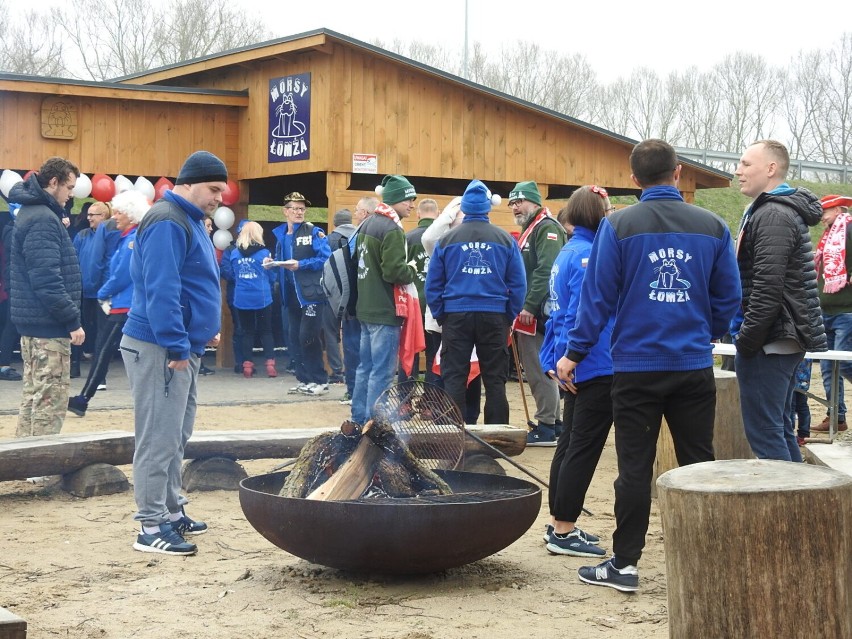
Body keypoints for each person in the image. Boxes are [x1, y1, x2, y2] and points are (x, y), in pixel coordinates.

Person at [557, 139, 740, 592]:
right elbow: (729, 297)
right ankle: (710, 559)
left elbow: (596, 300)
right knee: (700, 462)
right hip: (692, 363)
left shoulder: (618, 226)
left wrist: (574, 353)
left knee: (634, 467)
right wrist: (706, 330)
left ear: (634, 180)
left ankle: (624, 564)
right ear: (678, 173)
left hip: (636, 367)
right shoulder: (714, 226)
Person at [121, 150, 226, 555]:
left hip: (180, 344)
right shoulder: (168, 220)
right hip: (160, 346)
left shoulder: (188, 218)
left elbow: (192, 282)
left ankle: (170, 509)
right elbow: (162, 287)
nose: (219, 197)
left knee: (176, 432)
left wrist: (200, 332)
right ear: (189, 182)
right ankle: (150, 525)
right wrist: (177, 343)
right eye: (214, 188)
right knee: (158, 435)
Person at [732, 140, 827, 461]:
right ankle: (797, 508)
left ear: (771, 169)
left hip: (771, 341)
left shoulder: (773, 214)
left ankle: (783, 509)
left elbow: (767, 290)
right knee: (779, 427)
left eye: (746, 164)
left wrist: (747, 342)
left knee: (767, 432)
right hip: (777, 338)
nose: (738, 171)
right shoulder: (771, 210)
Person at [540, 186, 614, 559]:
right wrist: (570, 356)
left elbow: (556, 312)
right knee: (582, 446)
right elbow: (578, 314)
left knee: (570, 442)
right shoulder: (588, 255)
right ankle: (564, 529)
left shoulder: (567, 251)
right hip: (593, 360)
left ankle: (558, 521)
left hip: (576, 359)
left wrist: (554, 357)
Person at [426, 180, 524, 425]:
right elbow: (519, 284)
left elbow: (433, 284)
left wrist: (442, 314)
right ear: (487, 208)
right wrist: (507, 315)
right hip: (494, 316)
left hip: (456, 317)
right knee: (495, 380)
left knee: (454, 378)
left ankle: (454, 438)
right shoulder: (504, 239)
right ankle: (497, 438)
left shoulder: (447, 240)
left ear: (465, 207)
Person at [9, 157, 84, 438]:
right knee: (49, 399)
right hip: (48, 326)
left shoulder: (34, 212)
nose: (72, 194)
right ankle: (40, 463)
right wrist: (72, 320)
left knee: (33, 395)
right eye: (69, 187)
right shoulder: (42, 218)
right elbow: (46, 279)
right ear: (53, 183)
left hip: (36, 324)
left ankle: (24, 458)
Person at [67, 191, 150, 417]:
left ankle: (83, 399)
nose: (116, 216)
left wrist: (102, 293)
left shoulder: (130, 241)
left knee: (103, 350)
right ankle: (83, 398)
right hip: (126, 303)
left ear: (132, 215)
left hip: (124, 305)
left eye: (121, 212)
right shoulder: (129, 239)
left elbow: (121, 274)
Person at [346, 175, 416, 430]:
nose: (412, 204)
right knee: (383, 372)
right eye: (409, 199)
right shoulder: (392, 229)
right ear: (396, 199)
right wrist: (412, 270)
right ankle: (375, 423)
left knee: (365, 368)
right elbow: (394, 272)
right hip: (385, 310)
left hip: (365, 308)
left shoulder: (367, 224)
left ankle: (358, 418)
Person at [509, 180, 566, 445]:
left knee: (537, 368)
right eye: (512, 203)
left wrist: (529, 306)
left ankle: (545, 426)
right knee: (541, 368)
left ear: (534, 202)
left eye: (520, 201)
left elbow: (546, 270)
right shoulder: (534, 228)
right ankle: (553, 423)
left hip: (536, 313)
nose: (515, 207)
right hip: (533, 311)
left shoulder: (546, 229)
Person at [422, 196, 484, 423]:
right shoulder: (441, 242)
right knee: (441, 371)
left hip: (469, 319)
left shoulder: (479, 240)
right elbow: (428, 236)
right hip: (442, 322)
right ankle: (443, 418)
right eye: (460, 216)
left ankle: (470, 418)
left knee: (473, 373)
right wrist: (452, 208)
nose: (464, 219)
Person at [268, 192, 331, 395]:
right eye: (294, 208)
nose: (298, 212)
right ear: (285, 211)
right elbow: (283, 261)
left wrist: (301, 265)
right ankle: (304, 379)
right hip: (290, 294)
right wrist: (272, 264)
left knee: (308, 336)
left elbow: (325, 258)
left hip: (311, 294)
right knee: (294, 337)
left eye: (302, 209)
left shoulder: (313, 231)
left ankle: (320, 380)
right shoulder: (280, 235)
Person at [813, 194, 852, 433]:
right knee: (828, 367)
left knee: (845, 364)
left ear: (838, 209)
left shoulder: (848, 229)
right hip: (826, 309)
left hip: (846, 310)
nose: (821, 217)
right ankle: (836, 416)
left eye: (825, 212)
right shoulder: (829, 235)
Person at [339, 197, 378, 405]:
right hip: (368, 301)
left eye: (357, 210)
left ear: (365, 213)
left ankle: (355, 392)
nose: (355, 214)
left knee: (356, 349)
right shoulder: (372, 234)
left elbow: (352, 268)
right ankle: (361, 394)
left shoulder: (359, 235)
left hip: (355, 301)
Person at [71, 201, 112, 378]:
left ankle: (99, 371)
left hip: (102, 291)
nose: (88, 218)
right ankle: (75, 364)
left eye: (92, 215)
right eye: (88, 215)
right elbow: (73, 260)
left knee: (101, 330)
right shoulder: (82, 235)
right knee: (80, 326)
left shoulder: (111, 235)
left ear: (103, 217)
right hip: (82, 290)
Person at [230, 221, 277, 377]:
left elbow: (233, 274)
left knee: (247, 332)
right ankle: (270, 364)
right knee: (266, 331)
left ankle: (247, 366)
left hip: (242, 297)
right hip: (262, 296)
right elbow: (271, 276)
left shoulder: (234, 253)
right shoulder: (264, 254)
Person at [400, 198, 439, 382]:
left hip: (413, 305)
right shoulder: (444, 237)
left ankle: (405, 400)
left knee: (410, 354)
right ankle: (431, 405)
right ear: (438, 214)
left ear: (418, 214)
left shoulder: (408, 237)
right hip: (436, 307)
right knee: (434, 356)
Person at [322, 208, 356, 385]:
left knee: (331, 332)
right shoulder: (359, 237)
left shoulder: (327, 240)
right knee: (353, 333)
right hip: (357, 295)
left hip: (333, 296)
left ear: (335, 223)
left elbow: (325, 269)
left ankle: (336, 372)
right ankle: (353, 371)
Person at [0, 206, 21, 382]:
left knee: (13, 323)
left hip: (14, 282)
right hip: (15, 283)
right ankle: (4, 365)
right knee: (12, 324)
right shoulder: (12, 232)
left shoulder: (10, 229)